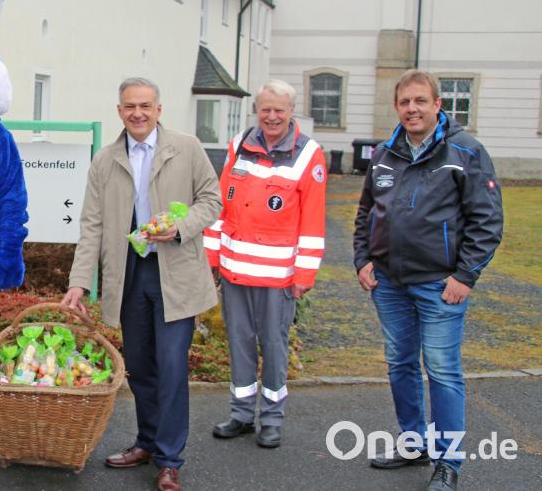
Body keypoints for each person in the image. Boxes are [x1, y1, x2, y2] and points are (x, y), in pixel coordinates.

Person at [62, 77, 221, 491]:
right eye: (130, 106)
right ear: (119, 111)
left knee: (170, 366)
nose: (137, 113)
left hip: (175, 274)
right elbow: (91, 226)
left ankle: (170, 458)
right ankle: (147, 441)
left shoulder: (186, 148)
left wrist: (181, 228)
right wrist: (79, 282)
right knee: (140, 367)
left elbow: (212, 200)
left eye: (145, 106)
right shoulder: (106, 159)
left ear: (159, 109)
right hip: (129, 274)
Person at [353, 70, 503, 491]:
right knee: (400, 362)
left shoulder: (465, 151)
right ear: (396, 107)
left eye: (421, 101)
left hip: (441, 286)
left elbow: (488, 220)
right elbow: (367, 212)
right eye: (405, 102)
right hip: (389, 283)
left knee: (441, 369)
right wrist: (363, 259)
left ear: (439, 105)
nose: (412, 109)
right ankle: (413, 441)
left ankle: (449, 461)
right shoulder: (385, 153)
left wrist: (465, 275)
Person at [203, 79, 326, 449]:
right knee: (239, 341)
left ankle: (271, 417)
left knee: (274, 345)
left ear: (291, 112)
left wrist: (304, 274)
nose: (272, 117)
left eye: (279, 110)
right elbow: (219, 207)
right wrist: (211, 258)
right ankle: (241, 414)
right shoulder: (239, 145)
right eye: (265, 109)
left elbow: (312, 222)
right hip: (235, 270)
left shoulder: (308, 154)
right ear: (257, 109)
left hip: (278, 278)